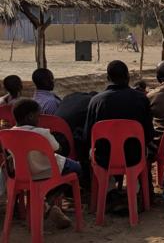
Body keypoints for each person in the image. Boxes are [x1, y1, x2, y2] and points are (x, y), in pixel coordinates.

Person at [11, 98, 81, 229]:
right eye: (38, 116)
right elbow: (58, 148)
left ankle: (47, 204)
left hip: (23, 174)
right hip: (47, 171)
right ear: (30, 116)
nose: (39, 119)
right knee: (77, 168)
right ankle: (49, 200)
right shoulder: (42, 132)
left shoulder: (8, 134)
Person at [84, 60, 153, 170]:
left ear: (107, 78)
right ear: (128, 77)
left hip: (104, 159)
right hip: (134, 157)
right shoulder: (141, 99)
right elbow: (149, 134)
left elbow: (88, 136)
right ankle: (139, 184)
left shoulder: (96, 101)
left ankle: (106, 185)